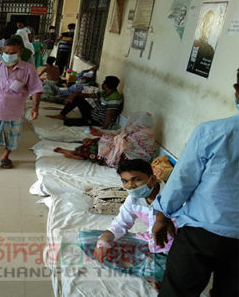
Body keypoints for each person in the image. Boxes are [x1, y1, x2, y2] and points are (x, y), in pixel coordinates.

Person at [150, 71, 239, 297]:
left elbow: (182, 180)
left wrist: (162, 216)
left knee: (177, 291)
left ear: (237, 90)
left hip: (202, 233)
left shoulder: (212, 132)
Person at [78, 159, 174, 290]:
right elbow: (122, 222)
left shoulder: (172, 196)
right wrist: (105, 239)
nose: (131, 185)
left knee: (179, 272)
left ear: (152, 179)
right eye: (125, 181)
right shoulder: (133, 199)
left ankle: (153, 271)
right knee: (86, 240)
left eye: (137, 180)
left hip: (171, 250)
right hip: (148, 242)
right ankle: (148, 271)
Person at [0, 37, 43, 171]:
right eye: (6, 52)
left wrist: (35, 107)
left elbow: (36, 88)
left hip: (13, 110)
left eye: (13, 53)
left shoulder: (28, 69)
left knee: (11, 138)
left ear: (20, 52)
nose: (8, 55)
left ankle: (5, 156)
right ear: (2, 51)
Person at [53, 112, 157, 168]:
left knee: (103, 145)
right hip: (123, 150)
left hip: (131, 157)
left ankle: (81, 155)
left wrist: (106, 138)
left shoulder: (145, 134)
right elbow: (118, 133)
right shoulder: (133, 128)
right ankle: (76, 152)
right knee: (98, 141)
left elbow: (126, 144)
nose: (133, 122)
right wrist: (101, 133)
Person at [48, 75, 123, 129]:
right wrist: (75, 94)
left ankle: (85, 121)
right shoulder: (104, 93)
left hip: (97, 121)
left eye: (103, 82)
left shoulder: (114, 98)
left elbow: (110, 115)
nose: (102, 84)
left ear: (106, 85)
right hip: (92, 113)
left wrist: (103, 129)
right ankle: (62, 115)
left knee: (68, 122)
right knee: (78, 99)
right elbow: (88, 95)